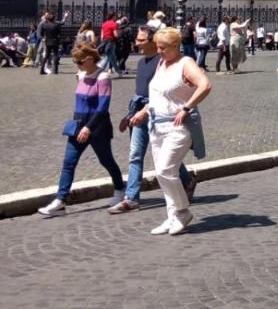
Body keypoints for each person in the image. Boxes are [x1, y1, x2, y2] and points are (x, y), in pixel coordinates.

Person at [129, 26, 211, 236]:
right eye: (157, 47)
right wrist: (144, 111)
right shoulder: (162, 64)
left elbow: (205, 85)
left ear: (176, 46)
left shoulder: (186, 63)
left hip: (178, 126)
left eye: (163, 47)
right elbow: (158, 95)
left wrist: (186, 107)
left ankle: (182, 212)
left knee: (165, 170)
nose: (158, 51)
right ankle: (171, 216)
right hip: (156, 125)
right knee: (165, 175)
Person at [109, 23, 196, 214]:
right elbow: (140, 93)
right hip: (140, 113)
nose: (136, 43)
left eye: (141, 40)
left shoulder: (163, 61)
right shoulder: (140, 63)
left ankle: (186, 182)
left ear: (153, 40)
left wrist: (145, 111)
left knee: (167, 157)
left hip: (160, 115)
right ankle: (131, 199)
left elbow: (162, 95)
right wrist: (130, 115)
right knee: (135, 155)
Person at [37, 42, 126, 216]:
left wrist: (89, 127)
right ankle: (60, 201)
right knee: (68, 163)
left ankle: (120, 190)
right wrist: (81, 126)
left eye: (79, 61)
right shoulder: (80, 73)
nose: (76, 65)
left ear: (90, 59)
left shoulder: (103, 77)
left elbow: (103, 107)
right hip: (77, 125)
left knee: (106, 161)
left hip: (97, 127)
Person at [38, 11, 61, 75]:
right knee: (55, 55)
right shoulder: (56, 25)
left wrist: (44, 38)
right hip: (55, 41)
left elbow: (41, 33)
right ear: (54, 19)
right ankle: (55, 70)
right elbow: (59, 34)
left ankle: (42, 69)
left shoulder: (45, 25)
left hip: (47, 41)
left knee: (46, 56)